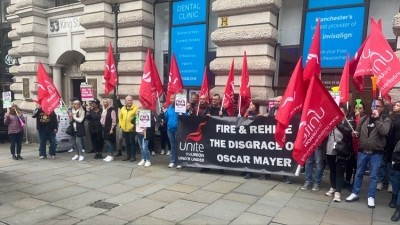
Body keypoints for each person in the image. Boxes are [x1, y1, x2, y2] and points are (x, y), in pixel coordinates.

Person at [346, 99, 392, 208]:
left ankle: (371, 197)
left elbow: (384, 131)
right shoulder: (364, 118)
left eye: (377, 106)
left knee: (373, 176)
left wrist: (376, 119)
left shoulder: (386, 119)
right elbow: (357, 131)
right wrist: (355, 133)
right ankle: (355, 193)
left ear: (382, 108)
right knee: (359, 173)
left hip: (376, 153)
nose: (374, 108)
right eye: (373, 106)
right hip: (363, 151)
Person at [324, 106, 353, 202]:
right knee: (332, 170)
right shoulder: (330, 123)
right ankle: (333, 187)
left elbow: (350, 133)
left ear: (345, 113)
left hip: (341, 151)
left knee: (339, 172)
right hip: (330, 150)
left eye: (340, 112)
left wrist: (338, 124)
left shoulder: (349, 123)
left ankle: (338, 192)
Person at [267, 96, 292, 184]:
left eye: (278, 101)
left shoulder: (286, 109)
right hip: (272, 137)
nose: (277, 103)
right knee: (270, 156)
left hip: (283, 137)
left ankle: (286, 176)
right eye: (276, 101)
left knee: (284, 157)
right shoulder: (272, 109)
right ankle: (267, 174)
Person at [202, 94, 228, 173]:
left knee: (219, 150)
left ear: (219, 100)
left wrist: (222, 115)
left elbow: (229, 119)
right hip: (209, 132)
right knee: (208, 149)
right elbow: (201, 117)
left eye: (216, 99)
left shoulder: (222, 109)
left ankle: (220, 167)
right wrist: (206, 115)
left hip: (219, 134)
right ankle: (206, 166)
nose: (214, 101)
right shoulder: (209, 108)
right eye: (213, 99)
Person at [119, 95, 139, 162]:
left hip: (132, 129)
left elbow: (137, 117)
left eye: (131, 100)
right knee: (127, 143)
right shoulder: (123, 108)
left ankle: (133, 156)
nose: (130, 101)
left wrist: (133, 124)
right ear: (125, 101)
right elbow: (120, 117)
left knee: (132, 143)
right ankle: (128, 155)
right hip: (124, 129)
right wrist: (121, 125)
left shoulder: (136, 108)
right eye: (128, 100)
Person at [164, 94, 182, 168]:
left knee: (179, 146)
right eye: (171, 98)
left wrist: (182, 113)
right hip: (170, 129)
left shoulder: (181, 107)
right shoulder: (169, 108)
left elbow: (186, 116)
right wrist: (164, 113)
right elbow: (166, 118)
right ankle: (172, 161)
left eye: (173, 98)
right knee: (172, 145)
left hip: (178, 129)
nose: (171, 100)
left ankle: (179, 161)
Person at [101, 98, 117, 162]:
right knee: (106, 141)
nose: (104, 103)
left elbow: (114, 121)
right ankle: (108, 154)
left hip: (109, 128)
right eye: (104, 102)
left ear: (109, 103)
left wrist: (112, 128)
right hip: (103, 127)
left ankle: (111, 155)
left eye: (106, 102)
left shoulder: (112, 110)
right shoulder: (103, 110)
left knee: (109, 142)